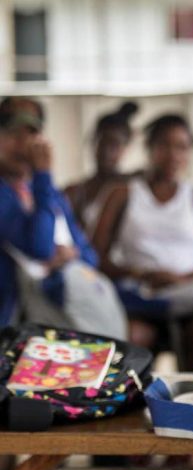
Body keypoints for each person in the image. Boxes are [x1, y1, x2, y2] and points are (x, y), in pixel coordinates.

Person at [92, 114, 193, 369]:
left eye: (182, 147)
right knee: (133, 338)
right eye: (164, 145)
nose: (173, 154)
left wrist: (187, 279)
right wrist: (140, 274)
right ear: (149, 148)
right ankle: (133, 402)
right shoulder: (122, 194)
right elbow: (94, 256)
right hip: (141, 300)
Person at [0, 101, 120, 334]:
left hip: (54, 317)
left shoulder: (47, 194)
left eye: (30, 136)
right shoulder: (15, 191)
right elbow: (40, 247)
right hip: (13, 321)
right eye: (13, 135)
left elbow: (89, 258)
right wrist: (43, 175)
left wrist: (70, 255)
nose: (21, 146)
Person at [65, 101, 139, 234]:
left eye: (114, 145)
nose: (106, 151)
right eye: (101, 143)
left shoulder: (134, 188)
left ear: (125, 148)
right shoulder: (76, 192)